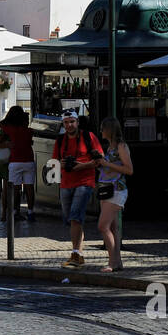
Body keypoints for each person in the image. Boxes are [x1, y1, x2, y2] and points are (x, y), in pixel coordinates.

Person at [54, 111, 102, 268]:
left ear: (78, 122)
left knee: (75, 217)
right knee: (71, 219)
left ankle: (76, 254)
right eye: (66, 122)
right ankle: (78, 254)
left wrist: (82, 166)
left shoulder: (89, 137)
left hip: (84, 181)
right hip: (66, 183)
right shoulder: (60, 140)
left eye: (72, 122)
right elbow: (54, 161)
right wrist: (62, 164)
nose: (69, 125)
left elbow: (99, 159)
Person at [95, 116, 134, 272]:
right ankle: (117, 262)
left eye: (103, 128)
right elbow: (111, 168)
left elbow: (129, 170)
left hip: (116, 190)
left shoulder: (121, 147)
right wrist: (101, 165)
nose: (101, 131)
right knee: (113, 227)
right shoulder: (110, 147)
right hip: (106, 189)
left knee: (102, 226)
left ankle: (112, 262)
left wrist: (107, 164)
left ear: (109, 130)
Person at [0, 106, 37, 222]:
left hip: (15, 161)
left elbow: (1, 124)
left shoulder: (9, 129)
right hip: (29, 161)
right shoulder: (29, 130)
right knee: (30, 188)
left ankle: (15, 212)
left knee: (15, 189)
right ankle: (30, 213)